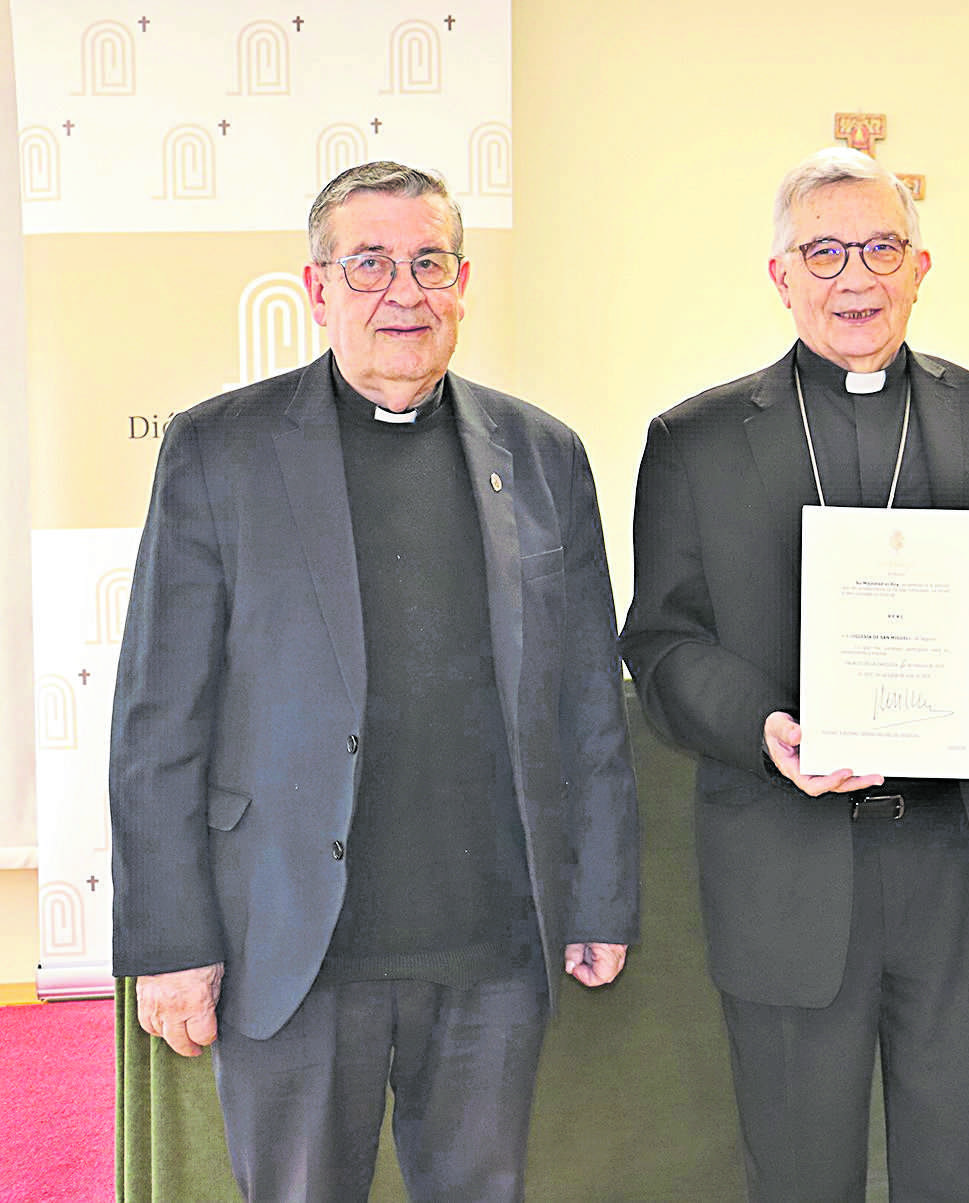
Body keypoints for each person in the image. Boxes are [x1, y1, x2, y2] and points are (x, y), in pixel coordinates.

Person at [108, 161, 640, 1200]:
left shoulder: (543, 455)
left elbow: (588, 700)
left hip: (490, 940)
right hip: (293, 944)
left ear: (463, 279)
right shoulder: (219, 450)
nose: (405, 292)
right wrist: (170, 943)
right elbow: (157, 715)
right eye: (371, 264)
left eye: (430, 262)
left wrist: (602, 898)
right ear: (317, 288)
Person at [619, 147, 969, 1202]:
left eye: (880, 249)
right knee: (802, 1175)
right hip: (788, 867)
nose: (854, 277)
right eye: (824, 251)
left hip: (961, 867)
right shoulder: (696, 440)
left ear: (920, 265)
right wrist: (765, 728)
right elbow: (662, 644)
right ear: (780, 273)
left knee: (965, 1174)